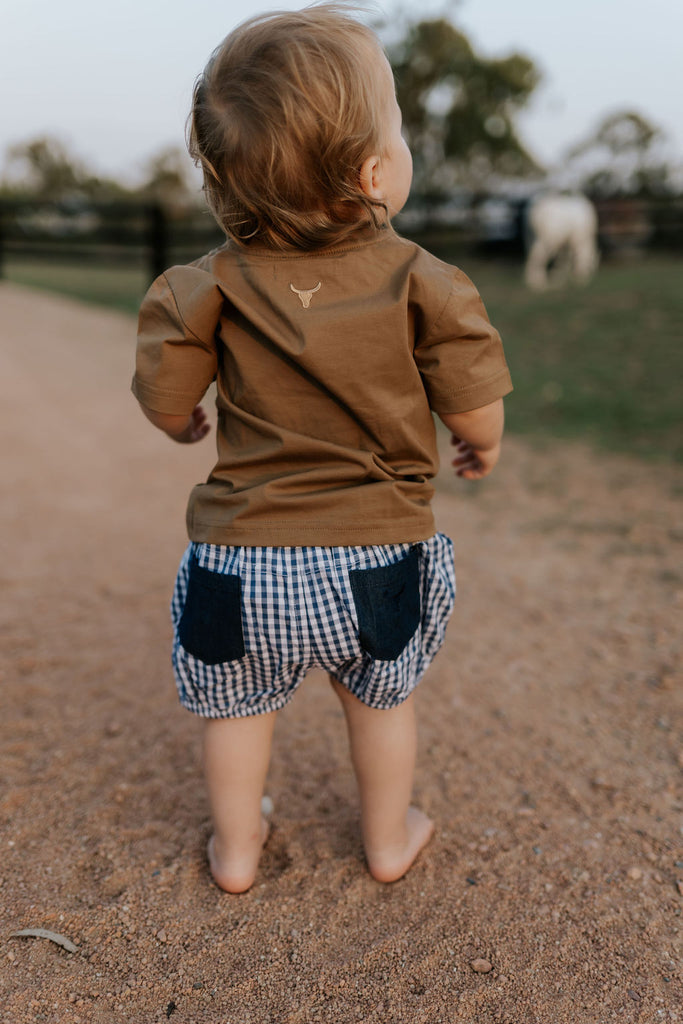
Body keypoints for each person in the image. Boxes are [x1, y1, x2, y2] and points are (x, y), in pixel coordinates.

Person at [132, 3, 512, 894]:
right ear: (375, 170)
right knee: (380, 701)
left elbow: (167, 396)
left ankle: (236, 851)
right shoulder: (425, 280)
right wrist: (479, 446)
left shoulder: (206, 284)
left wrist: (183, 423)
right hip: (374, 555)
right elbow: (476, 405)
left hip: (242, 563)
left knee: (236, 709)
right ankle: (387, 837)